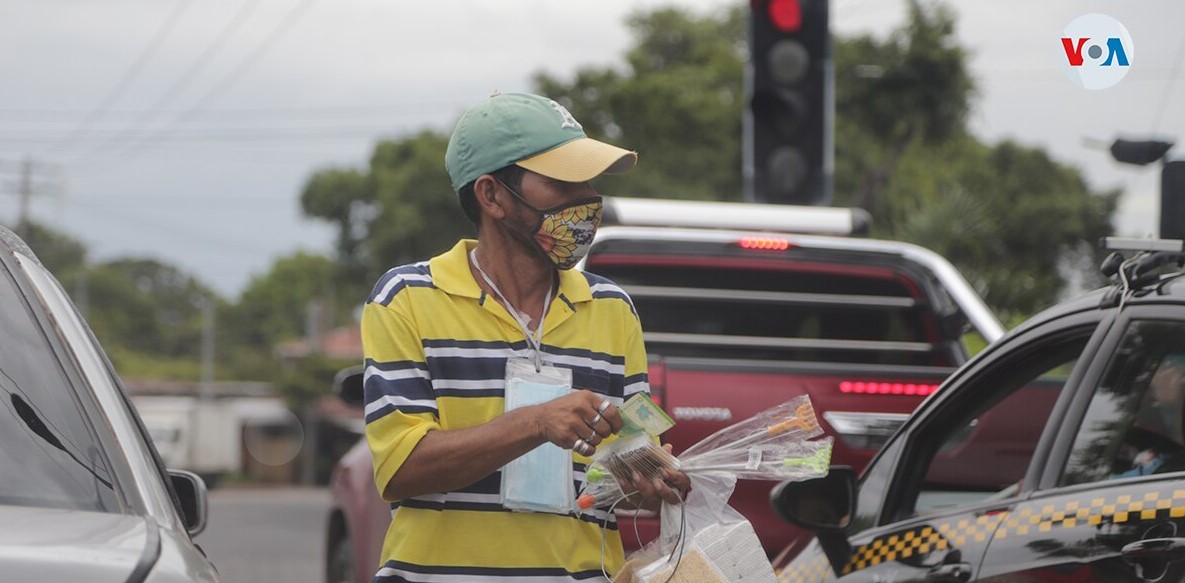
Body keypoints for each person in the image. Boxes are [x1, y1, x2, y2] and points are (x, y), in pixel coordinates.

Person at [360, 92, 689, 582]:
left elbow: (629, 460)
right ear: (491, 195)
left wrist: (651, 480)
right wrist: (535, 422)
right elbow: (403, 469)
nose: (587, 200)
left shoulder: (612, 309)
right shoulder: (407, 298)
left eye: (589, 181)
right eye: (562, 182)